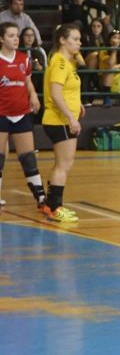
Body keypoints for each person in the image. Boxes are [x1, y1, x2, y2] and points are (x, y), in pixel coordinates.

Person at [40, 24, 85, 223]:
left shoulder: (68, 63)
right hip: (59, 121)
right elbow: (56, 94)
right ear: (62, 40)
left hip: (61, 119)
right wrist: (71, 117)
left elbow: (67, 90)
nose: (79, 43)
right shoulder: (59, 62)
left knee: (61, 164)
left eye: (79, 39)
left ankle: (50, 205)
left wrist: (79, 105)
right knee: (64, 165)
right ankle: (56, 207)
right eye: (74, 39)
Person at [0, 22, 46, 210]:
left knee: (28, 157)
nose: (15, 39)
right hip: (1, 114)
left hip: (21, 113)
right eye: (11, 35)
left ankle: (41, 197)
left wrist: (33, 95)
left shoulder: (23, 59)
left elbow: (27, 81)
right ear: (1, 39)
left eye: (16, 35)